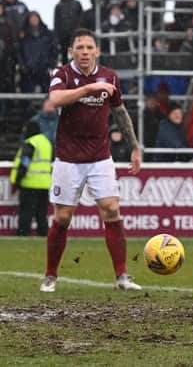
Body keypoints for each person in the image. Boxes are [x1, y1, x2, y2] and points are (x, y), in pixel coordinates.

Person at [40, 28, 142, 292]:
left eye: (89, 47)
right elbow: (56, 99)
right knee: (62, 218)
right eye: (79, 47)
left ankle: (122, 276)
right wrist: (91, 88)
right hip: (68, 158)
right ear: (71, 51)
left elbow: (120, 113)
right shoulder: (62, 74)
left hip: (100, 157)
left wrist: (134, 146)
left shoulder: (110, 77)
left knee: (111, 209)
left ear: (97, 51)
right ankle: (50, 275)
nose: (84, 52)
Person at [10, 121, 52, 236]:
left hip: (30, 183)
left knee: (26, 212)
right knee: (41, 213)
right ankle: (43, 234)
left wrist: (18, 180)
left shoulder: (31, 143)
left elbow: (25, 163)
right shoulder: (46, 142)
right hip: (44, 184)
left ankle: (23, 233)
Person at [18, 11, 58, 93]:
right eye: (31, 18)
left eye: (35, 18)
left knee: (46, 94)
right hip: (28, 70)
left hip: (44, 69)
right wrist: (22, 66)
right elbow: (19, 51)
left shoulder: (48, 34)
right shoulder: (23, 36)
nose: (34, 20)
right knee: (27, 94)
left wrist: (51, 64)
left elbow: (54, 50)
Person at [53, 0, 83, 64]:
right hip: (63, 37)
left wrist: (80, 33)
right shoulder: (58, 6)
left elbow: (81, 19)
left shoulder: (77, 4)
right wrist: (57, 38)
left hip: (75, 36)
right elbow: (56, 23)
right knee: (64, 58)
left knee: (77, 56)